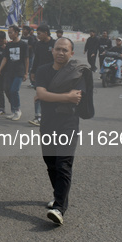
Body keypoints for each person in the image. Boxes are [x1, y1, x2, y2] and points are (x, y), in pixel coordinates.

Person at [35, 37, 89, 226]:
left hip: (68, 123)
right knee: (50, 163)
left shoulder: (77, 73)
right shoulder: (42, 70)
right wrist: (65, 96)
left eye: (65, 50)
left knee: (63, 163)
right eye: (58, 49)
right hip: (48, 123)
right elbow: (41, 94)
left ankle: (59, 207)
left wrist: (50, 96)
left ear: (71, 53)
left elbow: (77, 98)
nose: (61, 53)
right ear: (52, 50)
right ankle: (60, 196)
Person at [0, 25, 28, 121]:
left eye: (11, 32)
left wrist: (26, 73)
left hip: (19, 71)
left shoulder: (23, 45)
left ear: (16, 33)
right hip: (9, 71)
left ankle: (17, 110)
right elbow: (5, 58)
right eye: (8, 32)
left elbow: (26, 59)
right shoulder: (8, 45)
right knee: (7, 90)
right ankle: (13, 111)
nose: (9, 34)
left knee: (14, 90)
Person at [28, 25, 55, 126]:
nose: (37, 36)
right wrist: (33, 72)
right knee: (39, 95)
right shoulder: (38, 45)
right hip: (40, 74)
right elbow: (36, 59)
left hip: (52, 74)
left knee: (50, 96)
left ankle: (49, 117)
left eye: (39, 34)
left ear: (46, 33)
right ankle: (38, 117)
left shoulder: (54, 44)